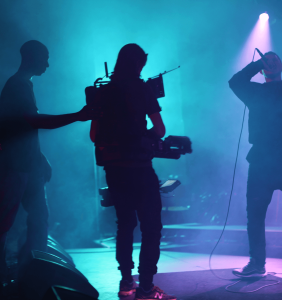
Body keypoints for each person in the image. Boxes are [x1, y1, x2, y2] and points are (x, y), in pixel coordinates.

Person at [0, 40, 99, 292]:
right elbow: (33, 121)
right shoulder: (17, 85)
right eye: (45, 57)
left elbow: (22, 129)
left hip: (25, 164)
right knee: (6, 220)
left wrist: (39, 157)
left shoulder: (23, 85)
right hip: (14, 166)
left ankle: (30, 272)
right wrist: (77, 116)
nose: (48, 63)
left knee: (35, 218)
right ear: (32, 57)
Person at [90, 44, 176, 300]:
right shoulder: (143, 88)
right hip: (140, 168)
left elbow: (94, 135)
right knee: (151, 227)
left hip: (115, 170)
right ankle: (146, 289)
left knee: (125, 226)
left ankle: (126, 282)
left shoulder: (102, 92)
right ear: (138, 64)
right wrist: (142, 138)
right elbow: (160, 130)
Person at [229, 51, 282, 277]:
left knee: (255, 214)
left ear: (264, 70)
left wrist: (257, 64)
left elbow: (235, 82)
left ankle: (256, 264)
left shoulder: (257, 92)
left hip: (262, 160)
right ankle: (255, 264)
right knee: (255, 213)